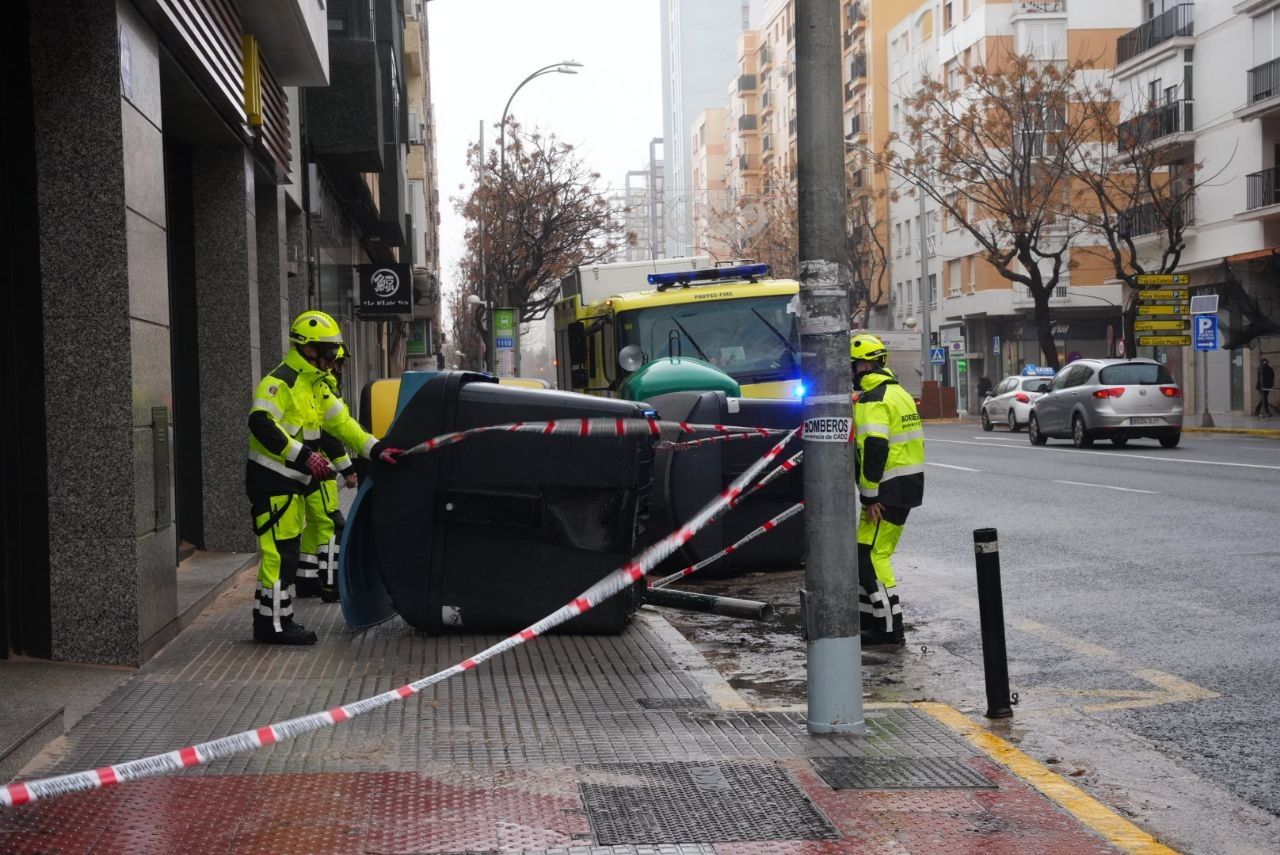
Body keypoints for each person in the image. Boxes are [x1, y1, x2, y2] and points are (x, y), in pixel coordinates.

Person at [247, 312, 404, 644]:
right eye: (329, 352)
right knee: (279, 555)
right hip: (271, 481)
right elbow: (260, 422)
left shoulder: (316, 385)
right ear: (308, 348)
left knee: (285, 552)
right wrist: (304, 455)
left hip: (291, 483)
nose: (333, 359)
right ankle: (273, 626)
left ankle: (271, 618)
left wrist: (377, 449)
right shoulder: (283, 381)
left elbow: (343, 425)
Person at [850, 334, 925, 646]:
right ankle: (870, 620)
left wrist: (870, 496)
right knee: (863, 553)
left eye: (854, 366)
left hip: (885, 491)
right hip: (904, 485)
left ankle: (890, 628)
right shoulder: (899, 393)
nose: (853, 372)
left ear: (864, 365)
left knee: (872, 556)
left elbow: (875, 450)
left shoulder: (874, 400)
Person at [297, 346, 359, 603]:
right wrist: (348, 469)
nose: (338, 367)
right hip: (320, 468)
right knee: (332, 525)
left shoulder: (317, 384)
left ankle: (306, 580)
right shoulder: (324, 387)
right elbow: (331, 434)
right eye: (338, 362)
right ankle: (331, 585)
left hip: (310, 466)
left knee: (315, 524)